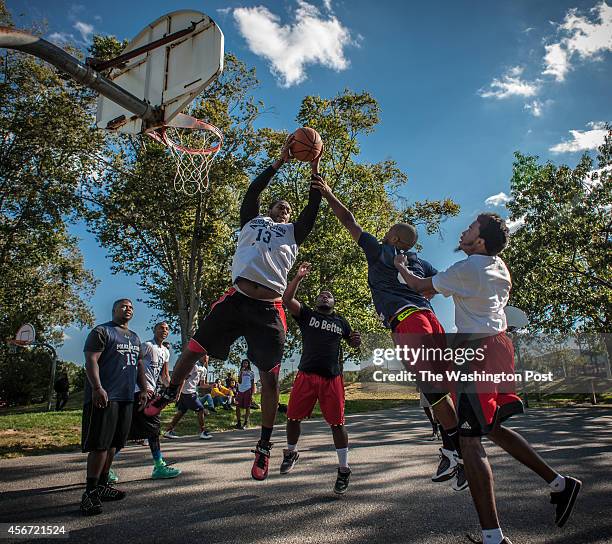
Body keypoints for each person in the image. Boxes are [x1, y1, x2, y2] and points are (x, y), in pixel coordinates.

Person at [394, 213, 582, 544]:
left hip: (478, 353)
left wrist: (400, 265)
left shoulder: (469, 268)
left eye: (470, 229)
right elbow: (445, 289)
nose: (464, 231)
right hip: (497, 348)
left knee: (470, 441)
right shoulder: (498, 267)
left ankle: (493, 538)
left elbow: (419, 287)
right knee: (490, 427)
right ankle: (560, 484)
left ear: (479, 241)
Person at [147, 137, 323, 480]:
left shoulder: (293, 232)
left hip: (269, 309)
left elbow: (313, 207)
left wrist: (315, 166)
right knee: (194, 348)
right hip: (237, 298)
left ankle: (264, 446)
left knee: (270, 378)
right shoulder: (251, 221)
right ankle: (169, 392)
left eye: (287, 209)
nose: (283, 210)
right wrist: (278, 163)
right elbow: (253, 193)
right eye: (279, 206)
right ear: (268, 210)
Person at [311, 177, 466, 490]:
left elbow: (348, 220)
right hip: (431, 321)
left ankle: (457, 447)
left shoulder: (381, 250)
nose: (384, 232)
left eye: (388, 230)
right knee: (440, 387)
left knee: (431, 387)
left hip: (408, 321)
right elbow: (435, 288)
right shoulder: (420, 262)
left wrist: (327, 192)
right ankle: (459, 450)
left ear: (395, 236)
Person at [280, 262, 361, 494]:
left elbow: (352, 342)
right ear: (317, 302)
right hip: (306, 375)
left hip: (331, 379)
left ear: (333, 303)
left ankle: (344, 469)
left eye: (329, 296)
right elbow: (287, 300)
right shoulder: (307, 315)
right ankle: (291, 451)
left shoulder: (341, 322)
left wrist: (356, 341)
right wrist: (297, 278)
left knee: (337, 424)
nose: (325, 296)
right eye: (322, 295)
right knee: (293, 417)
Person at [80, 298, 147, 516]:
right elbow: (91, 360)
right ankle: (89, 493)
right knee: (100, 445)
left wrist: (144, 388)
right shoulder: (102, 332)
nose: (128, 309)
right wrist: (97, 388)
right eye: (124, 306)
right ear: (114, 310)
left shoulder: (135, 338)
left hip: (126, 398)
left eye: (131, 307)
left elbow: (138, 366)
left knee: (114, 445)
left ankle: (101, 485)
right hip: (105, 397)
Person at [113, 322, 180, 481]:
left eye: (166, 329)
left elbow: (164, 376)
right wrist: (141, 389)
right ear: (154, 330)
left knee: (138, 431)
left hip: (150, 392)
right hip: (139, 392)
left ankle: (104, 466)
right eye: (161, 328)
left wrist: (171, 390)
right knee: (151, 430)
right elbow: (134, 365)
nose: (164, 331)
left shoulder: (165, 351)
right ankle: (158, 467)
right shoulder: (146, 346)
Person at [164, 357, 212, 440]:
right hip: (187, 392)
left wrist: (212, 385)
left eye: (206, 355)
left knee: (182, 411)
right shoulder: (194, 366)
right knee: (200, 409)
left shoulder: (204, 369)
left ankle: (168, 431)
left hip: (190, 392)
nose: (205, 357)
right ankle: (203, 432)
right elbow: (184, 378)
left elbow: (202, 384)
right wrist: (178, 393)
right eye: (203, 355)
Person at [235, 359, 256, 429]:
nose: (245, 364)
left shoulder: (251, 373)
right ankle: (239, 422)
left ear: (248, 364)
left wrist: (252, 394)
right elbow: (239, 381)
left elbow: (253, 384)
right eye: (244, 363)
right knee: (237, 406)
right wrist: (241, 372)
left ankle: (245, 423)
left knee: (247, 407)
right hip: (240, 391)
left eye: (246, 363)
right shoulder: (240, 372)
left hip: (248, 390)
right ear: (242, 364)